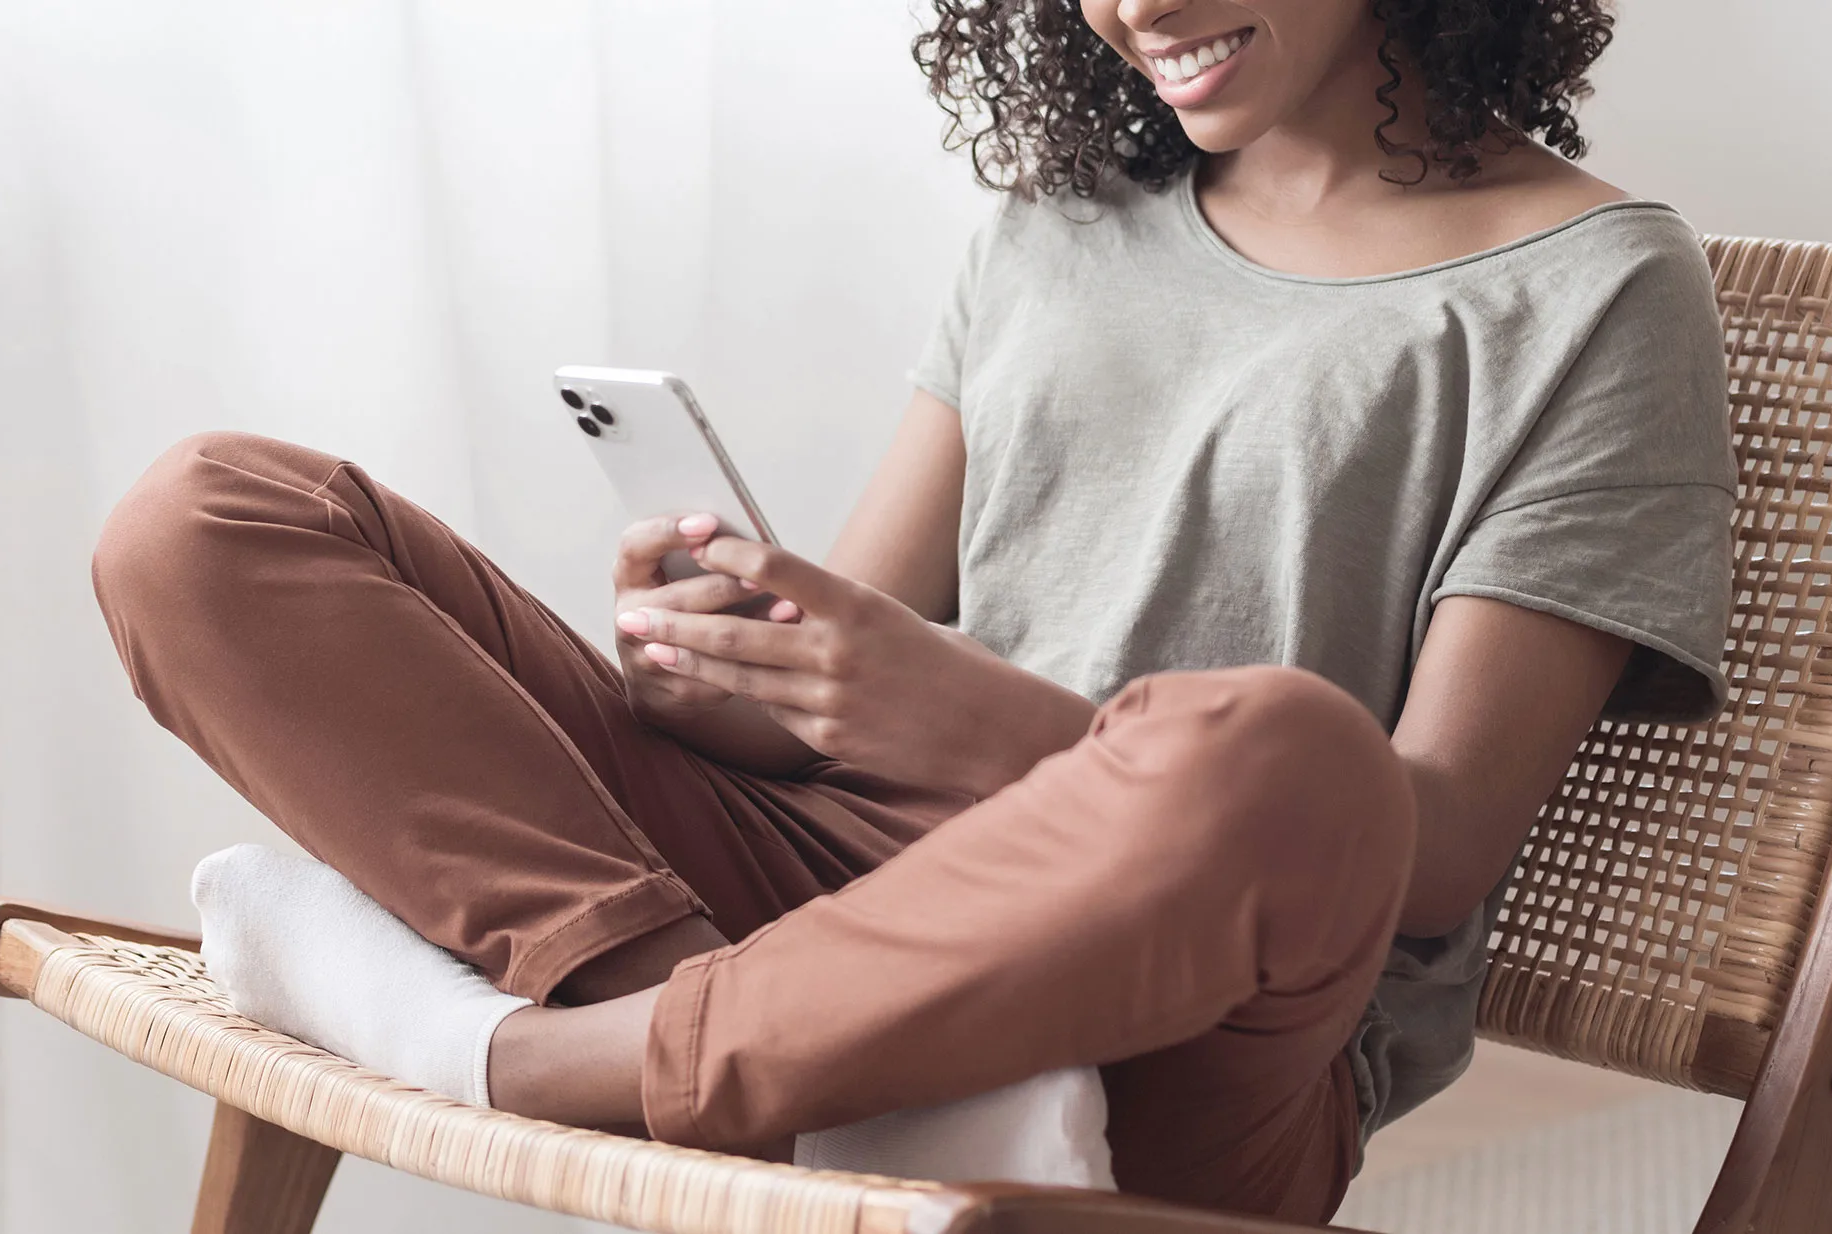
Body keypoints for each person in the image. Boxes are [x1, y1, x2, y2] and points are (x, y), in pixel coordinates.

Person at [89, 0, 1733, 1221]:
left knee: (1281, 753)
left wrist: (990, 728)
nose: (1136, 7)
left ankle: (535, 1059)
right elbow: (830, 681)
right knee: (205, 517)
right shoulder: (1059, 226)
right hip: (831, 901)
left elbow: (1431, 846)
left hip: (1194, 1019)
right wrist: (718, 665)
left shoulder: (1590, 286)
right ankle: (764, 1052)